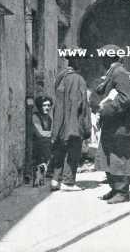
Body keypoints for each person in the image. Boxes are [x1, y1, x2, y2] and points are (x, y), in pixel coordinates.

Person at [95, 45, 130, 204]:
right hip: (112, 123)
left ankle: (122, 192)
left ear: (110, 57)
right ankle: (115, 188)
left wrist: (106, 109)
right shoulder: (112, 72)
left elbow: (125, 98)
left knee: (119, 156)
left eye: (103, 56)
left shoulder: (119, 72)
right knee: (110, 155)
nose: (101, 60)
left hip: (120, 124)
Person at [49, 53, 92, 191]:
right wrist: (86, 126)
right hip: (73, 121)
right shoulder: (78, 80)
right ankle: (68, 182)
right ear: (77, 61)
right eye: (81, 61)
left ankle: (56, 179)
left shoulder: (60, 77)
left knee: (59, 149)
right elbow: (82, 104)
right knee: (74, 150)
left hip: (59, 121)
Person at [32, 96, 53, 167]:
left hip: (46, 144)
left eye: (49, 105)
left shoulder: (49, 119)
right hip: (37, 145)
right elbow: (39, 134)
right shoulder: (35, 116)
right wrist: (53, 134)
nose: (47, 108)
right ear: (39, 106)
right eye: (44, 105)